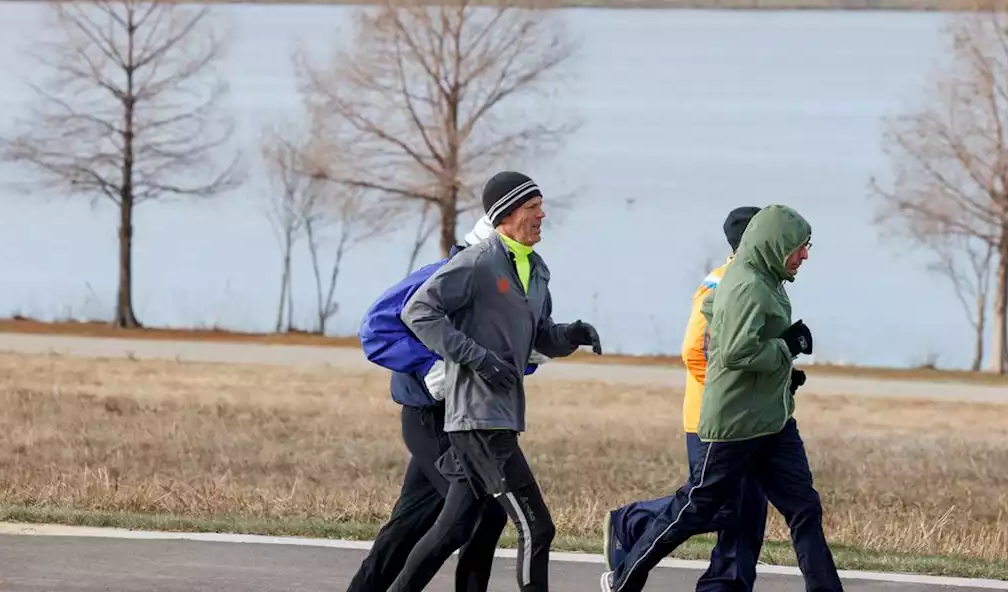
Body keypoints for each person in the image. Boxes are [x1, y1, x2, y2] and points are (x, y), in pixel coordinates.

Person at [600, 204, 842, 592]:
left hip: (771, 421)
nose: (805, 255)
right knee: (700, 509)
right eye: (800, 246)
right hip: (732, 423)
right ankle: (626, 572)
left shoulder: (768, 280)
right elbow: (727, 353)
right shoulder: (740, 284)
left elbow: (732, 333)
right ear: (772, 243)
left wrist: (780, 376)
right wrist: (784, 348)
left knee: (802, 509)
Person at [385, 171, 603, 592]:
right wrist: (478, 359)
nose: (542, 214)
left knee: (454, 528)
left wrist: (571, 334)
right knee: (537, 528)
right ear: (505, 214)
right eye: (531, 207)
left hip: (501, 415)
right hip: (478, 418)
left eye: (541, 205)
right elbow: (418, 311)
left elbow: (540, 335)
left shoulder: (537, 271)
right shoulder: (478, 262)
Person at [347, 215, 549, 592]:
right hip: (432, 418)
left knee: (411, 523)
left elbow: (504, 355)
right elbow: (375, 329)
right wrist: (427, 365)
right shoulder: (443, 273)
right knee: (483, 514)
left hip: (475, 419)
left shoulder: (512, 285)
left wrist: (535, 351)